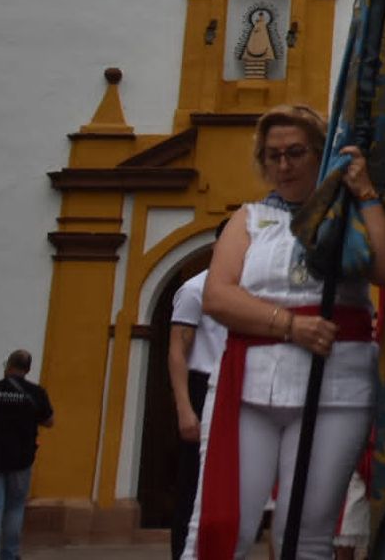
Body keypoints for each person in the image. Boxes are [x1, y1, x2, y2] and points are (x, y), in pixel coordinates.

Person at [185, 103, 385, 560]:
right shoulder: (248, 220)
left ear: (320, 154)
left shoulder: (350, 217)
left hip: (336, 387)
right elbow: (218, 296)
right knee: (223, 523)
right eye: (273, 155)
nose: (283, 165)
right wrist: (290, 326)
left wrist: (364, 193)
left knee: (308, 533)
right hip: (250, 386)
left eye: (296, 153)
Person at [169, 221, 229, 559]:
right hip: (202, 385)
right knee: (193, 483)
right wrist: (184, 408)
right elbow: (177, 350)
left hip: (235, 385)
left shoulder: (248, 292)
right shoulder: (195, 289)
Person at [0, 349, 54, 560]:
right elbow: (49, 421)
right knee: (15, 508)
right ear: (28, 369)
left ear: (8, 365)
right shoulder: (36, 392)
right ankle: (10, 554)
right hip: (21, 459)